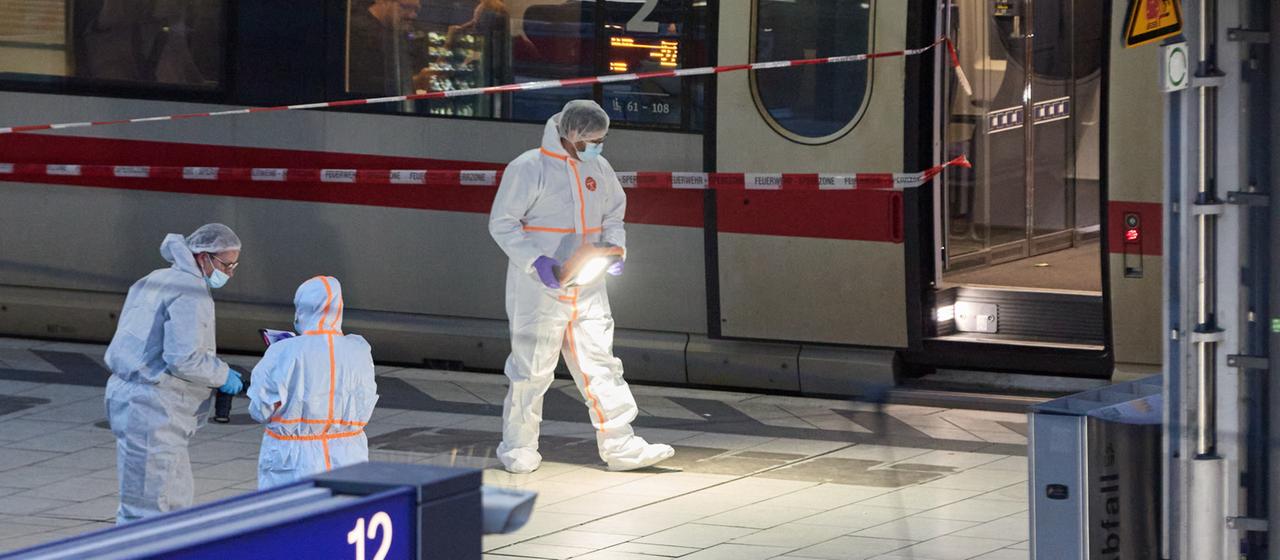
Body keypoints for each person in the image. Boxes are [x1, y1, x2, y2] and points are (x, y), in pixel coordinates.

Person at [489, 99, 675, 474]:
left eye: (601, 139)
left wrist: (616, 248)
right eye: (591, 140)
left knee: (601, 364)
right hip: (540, 287)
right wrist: (535, 261)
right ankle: (518, 446)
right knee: (531, 367)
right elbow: (502, 223)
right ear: (569, 134)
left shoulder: (599, 168)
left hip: (588, 283)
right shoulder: (528, 168)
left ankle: (620, 443)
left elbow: (613, 214)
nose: (597, 146)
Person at [104, 223, 244, 524]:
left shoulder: (155, 278)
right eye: (226, 264)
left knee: (171, 502)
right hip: (154, 407)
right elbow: (184, 358)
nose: (230, 273)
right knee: (149, 510)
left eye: (235, 265)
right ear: (203, 257)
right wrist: (223, 375)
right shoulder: (190, 292)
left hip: (137, 400)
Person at [248, 276, 378, 489]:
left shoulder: (284, 351)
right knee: (343, 515)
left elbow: (259, 409)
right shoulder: (360, 349)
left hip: (293, 459)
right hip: (349, 454)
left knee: (291, 517)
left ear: (301, 310)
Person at [346, 0, 429, 94]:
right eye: (405, 7)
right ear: (382, 1)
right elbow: (359, 81)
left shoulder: (397, 33)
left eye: (416, 10)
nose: (413, 15)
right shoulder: (354, 31)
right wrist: (411, 83)